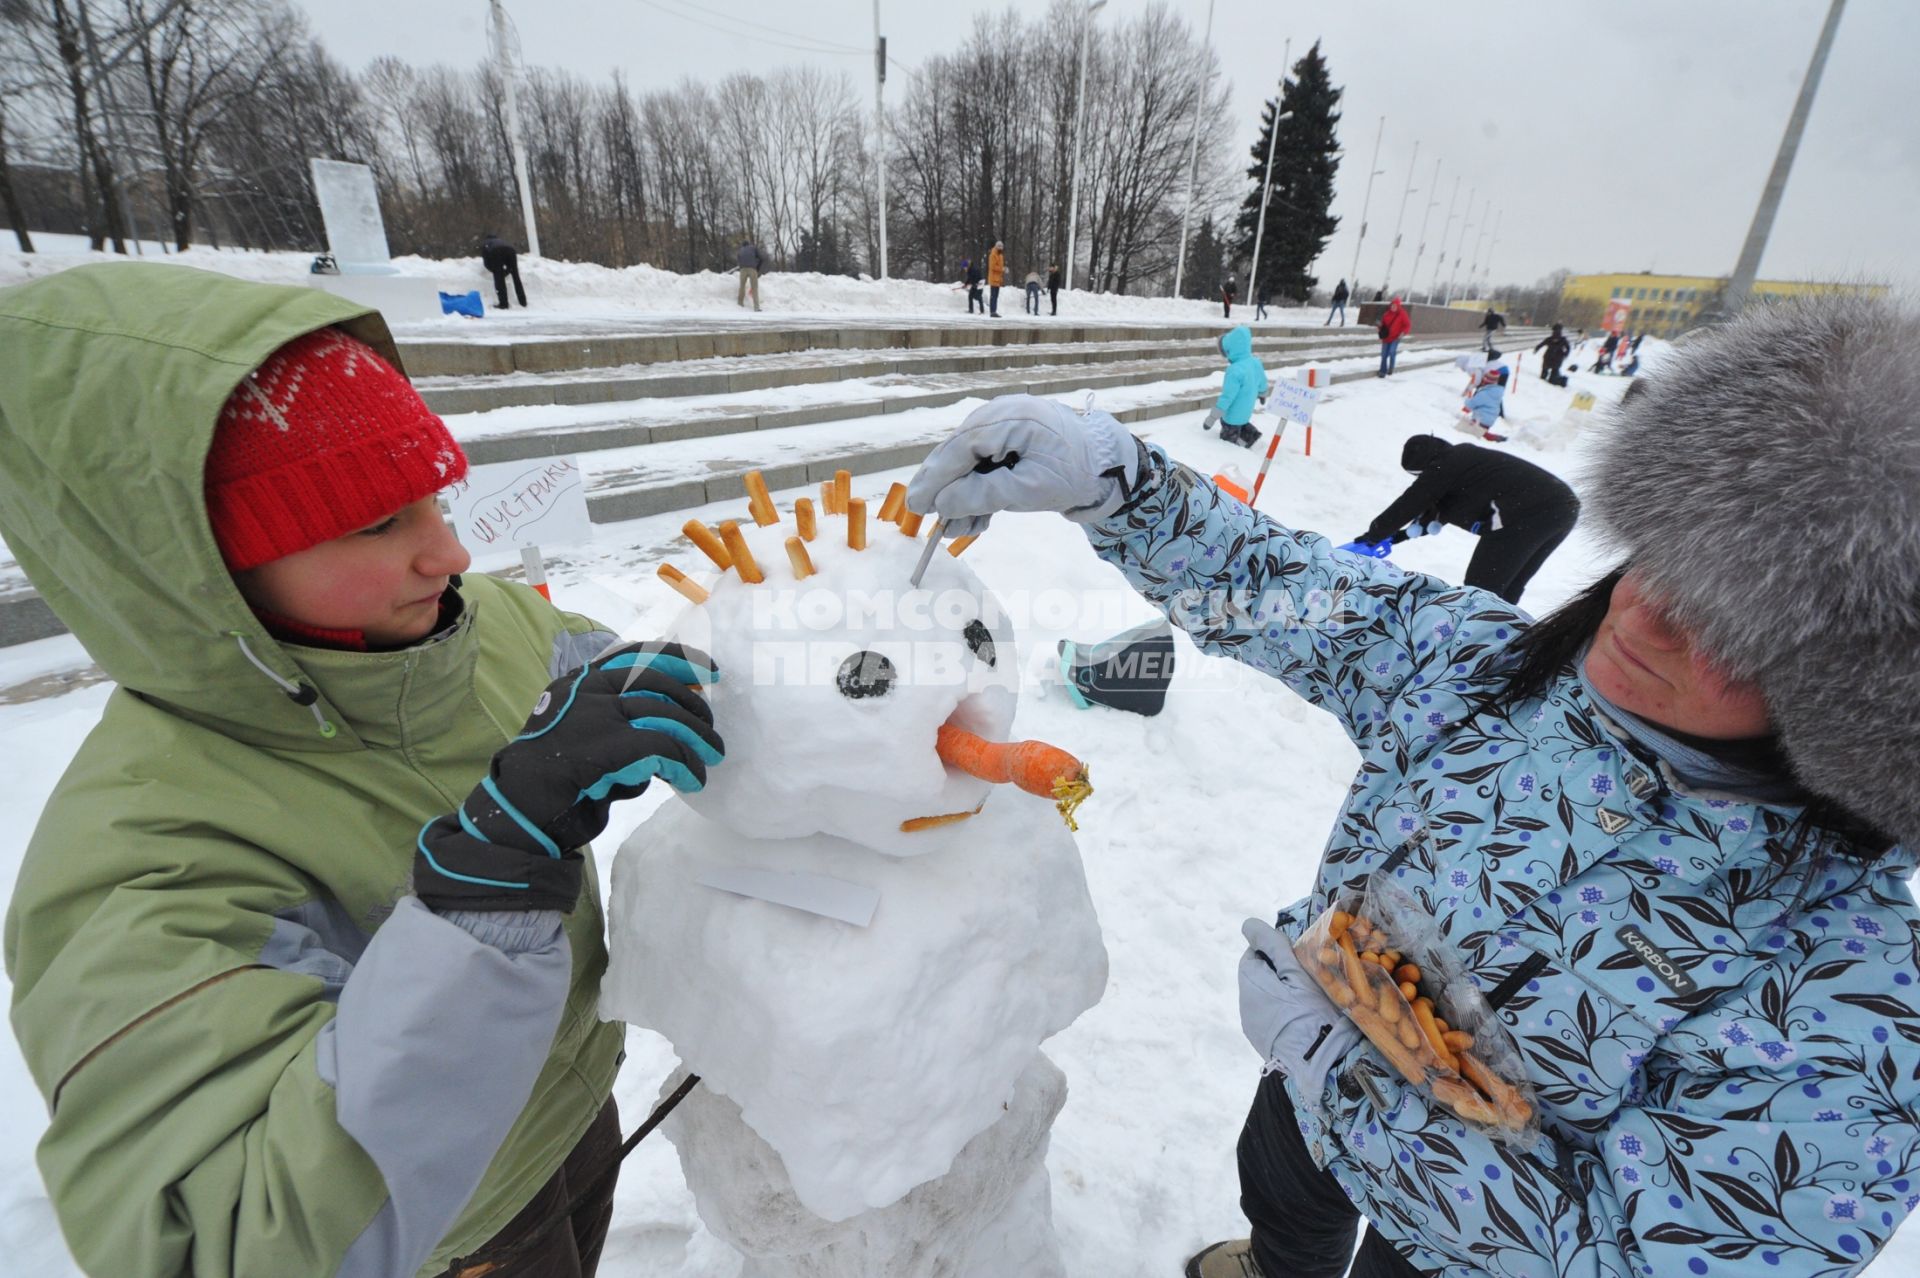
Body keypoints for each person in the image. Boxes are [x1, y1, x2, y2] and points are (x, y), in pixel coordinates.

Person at [903, 291, 1920, 1278]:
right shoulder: (1484, 672)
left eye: (1733, 617)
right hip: (1304, 1073)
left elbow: (1645, 1258)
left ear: (1859, 698)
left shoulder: (1850, 996)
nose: (1650, 610)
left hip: (1444, 1248)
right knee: (1285, 1196)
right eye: (1667, 551)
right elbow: (1281, 587)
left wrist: (1337, 1070)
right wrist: (1118, 481)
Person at [0, 263, 727, 1278]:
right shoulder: (140, 854)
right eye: (375, 523)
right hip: (436, 1234)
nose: (448, 554)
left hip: (569, 1125)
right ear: (210, 566)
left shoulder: (468, 628)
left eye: (434, 498)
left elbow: (585, 661)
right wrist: (486, 892)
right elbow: (229, 1242)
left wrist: (701, 688)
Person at [1347, 434, 1578, 603]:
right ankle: (1503, 643)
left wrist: (1373, 536)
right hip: (1562, 508)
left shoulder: (1448, 463)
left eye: (1420, 476)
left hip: (1532, 510)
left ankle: (1479, 645)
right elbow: (1431, 514)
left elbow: (1411, 502)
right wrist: (1396, 537)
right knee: (1507, 588)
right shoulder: (1466, 467)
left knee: (1482, 588)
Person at [1200, 325, 1269, 450]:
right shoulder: (1255, 362)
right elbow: (1262, 381)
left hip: (1232, 416)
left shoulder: (1234, 370)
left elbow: (1227, 397)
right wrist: (1263, 393)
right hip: (1247, 410)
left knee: (1227, 439)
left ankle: (1238, 445)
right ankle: (1251, 436)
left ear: (1230, 351)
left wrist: (1212, 418)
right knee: (1242, 423)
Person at [1455, 355, 1511, 442]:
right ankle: (1494, 437)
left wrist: (1467, 402)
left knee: (1477, 431)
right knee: (1480, 431)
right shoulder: (1496, 390)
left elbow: (1476, 382)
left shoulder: (1485, 393)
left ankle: (1495, 438)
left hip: (1482, 417)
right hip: (1489, 417)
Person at [480, 232, 527, 310]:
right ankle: (523, 301)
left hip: (496, 252)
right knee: (516, 276)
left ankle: (503, 304)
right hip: (511, 251)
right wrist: (508, 271)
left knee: (499, 279)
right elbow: (509, 265)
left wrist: (496, 271)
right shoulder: (501, 241)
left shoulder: (486, 243)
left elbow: (486, 261)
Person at [1375, 295, 1410, 376]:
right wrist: (1379, 327)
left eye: (1395, 306)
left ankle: (1391, 367)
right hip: (1386, 338)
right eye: (1392, 305)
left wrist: (1403, 333)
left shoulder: (1402, 314)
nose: (1393, 307)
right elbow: (1383, 326)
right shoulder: (1386, 314)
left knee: (1391, 352)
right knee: (1384, 355)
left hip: (1396, 337)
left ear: (1398, 306)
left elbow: (1407, 325)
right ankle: (1382, 371)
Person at [1534, 321, 1572, 386]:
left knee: (1548, 371)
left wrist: (1537, 348)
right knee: (1552, 371)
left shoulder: (1555, 339)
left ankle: (1548, 376)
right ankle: (1550, 377)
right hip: (1555, 357)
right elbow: (1568, 348)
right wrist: (1566, 354)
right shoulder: (1561, 339)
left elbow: (1542, 344)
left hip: (1553, 357)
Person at [736, 238, 764, 311]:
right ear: (749, 244)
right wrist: (757, 268)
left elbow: (738, 260)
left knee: (742, 286)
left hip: (742, 269)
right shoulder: (753, 248)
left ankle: (740, 304)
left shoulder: (740, 250)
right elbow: (761, 258)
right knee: (754, 288)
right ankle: (756, 307)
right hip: (752, 269)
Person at [987, 240, 1007, 318]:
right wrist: (1002, 269)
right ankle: (992, 311)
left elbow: (999, 267)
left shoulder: (1000, 256)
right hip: (993, 278)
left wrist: (1003, 269)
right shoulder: (993, 255)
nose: (1001, 249)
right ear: (996, 247)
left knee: (996, 296)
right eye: (999, 247)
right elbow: (992, 267)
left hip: (998, 279)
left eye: (1002, 247)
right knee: (993, 296)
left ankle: (994, 311)